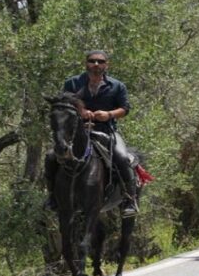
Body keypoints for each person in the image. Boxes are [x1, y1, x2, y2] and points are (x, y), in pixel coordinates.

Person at [44, 50, 138, 217]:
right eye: (92, 61)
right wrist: (82, 111)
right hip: (77, 133)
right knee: (51, 156)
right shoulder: (72, 83)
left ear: (106, 65)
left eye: (100, 62)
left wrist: (108, 114)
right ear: (86, 63)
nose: (96, 64)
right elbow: (66, 103)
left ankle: (129, 200)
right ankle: (52, 197)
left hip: (107, 131)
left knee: (123, 158)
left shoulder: (117, 86)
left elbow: (125, 109)